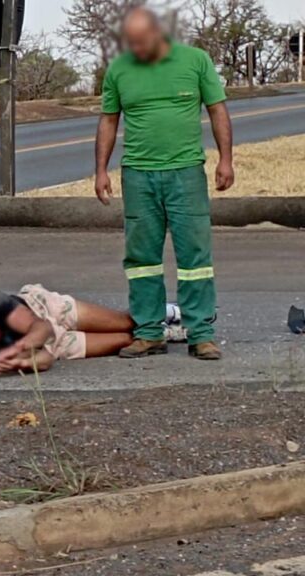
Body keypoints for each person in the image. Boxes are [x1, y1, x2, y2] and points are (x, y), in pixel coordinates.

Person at [95, 7, 232, 361]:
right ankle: (148, 333)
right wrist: (101, 170)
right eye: (132, 43)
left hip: (185, 172)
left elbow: (218, 110)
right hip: (138, 175)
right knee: (141, 258)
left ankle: (200, 333)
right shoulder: (119, 70)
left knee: (194, 256)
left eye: (143, 42)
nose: (137, 49)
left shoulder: (195, 61)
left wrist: (225, 160)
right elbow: (108, 121)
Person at [0, 285, 183, 377]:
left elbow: (42, 327)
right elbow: (47, 359)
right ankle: (166, 334)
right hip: (55, 345)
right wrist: (22, 364)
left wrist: (20, 347)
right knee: (126, 341)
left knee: (124, 321)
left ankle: (169, 311)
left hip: (46, 310)